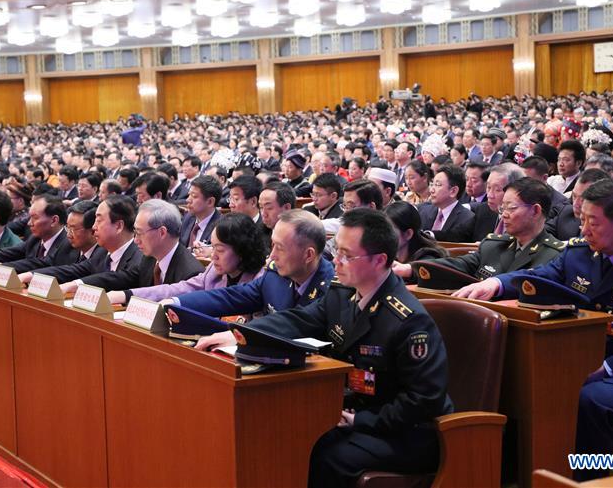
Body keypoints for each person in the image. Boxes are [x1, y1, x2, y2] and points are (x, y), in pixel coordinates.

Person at [453, 179, 613, 480]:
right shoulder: (578, 253)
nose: (584, 230)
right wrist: (496, 283)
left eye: (594, 223)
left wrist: (604, 367)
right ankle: (527, 474)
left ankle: (589, 481)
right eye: (582, 220)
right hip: (574, 361)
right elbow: (537, 277)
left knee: (585, 396)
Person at [197, 208, 453, 486]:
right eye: (337, 252)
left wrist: (360, 421)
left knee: (324, 454)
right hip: (353, 412)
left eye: (347, 255)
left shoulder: (408, 321)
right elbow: (298, 320)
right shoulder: (342, 294)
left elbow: (422, 401)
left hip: (407, 433)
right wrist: (239, 335)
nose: (337, 262)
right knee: (284, 432)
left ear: (380, 260)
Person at [168, 209, 333, 317]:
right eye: (272, 245)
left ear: (308, 255)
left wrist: (237, 334)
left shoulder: (332, 290)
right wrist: (176, 302)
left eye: (280, 248)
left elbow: (294, 324)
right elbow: (230, 297)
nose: (272, 256)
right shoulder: (274, 275)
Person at [414, 178, 565, 279]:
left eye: (511, 208)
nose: (504, 215)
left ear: (536, 211)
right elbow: (457, 265)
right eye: (502, 208)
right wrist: (413, 268)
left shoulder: (555, 255)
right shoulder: (493, 245)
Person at [110, 213, 266, 304]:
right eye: (212, 248)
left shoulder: (261, 280)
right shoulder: (213, 272)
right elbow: (178, 289)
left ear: (242, 249)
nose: (213, 256)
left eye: (220, 250)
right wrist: (126, 295)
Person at [0, 194, 76, 272]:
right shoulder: (35, 239)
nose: (29, 223)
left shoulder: (68, 242)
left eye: (35, 218)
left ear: (54, 220)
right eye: (29, 217)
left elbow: (43, 263)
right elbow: (2, 254)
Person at [546, 169, 608, 240]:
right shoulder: (565, 213)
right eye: (574, 196)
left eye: (583, 199)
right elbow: (540, 237)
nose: (575, 204)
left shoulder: (611, 225)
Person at [418, 165, 474, 243]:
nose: (431, 190)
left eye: (438, 185)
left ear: (453, 191)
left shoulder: (467, 218)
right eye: (432, 184)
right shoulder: (423, 211)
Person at [179, 175, 222, 248]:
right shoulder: (188, 217)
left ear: (210, 202)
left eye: (194, 196)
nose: (188, 200)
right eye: (189, 195)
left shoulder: (221, 227)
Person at [258, 181, 295, 251]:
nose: (263, 214)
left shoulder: (300, 235)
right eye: (261, 207)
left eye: (269, 208)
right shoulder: (259, 232)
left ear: (286, 208)